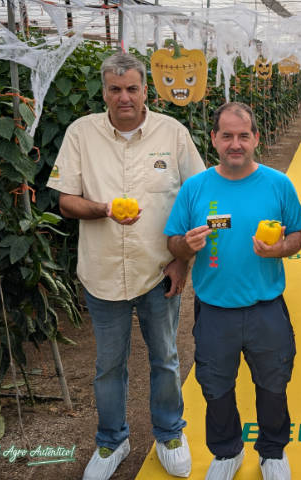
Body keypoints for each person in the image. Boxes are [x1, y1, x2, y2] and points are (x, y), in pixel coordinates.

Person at [46, 52, 205, 480]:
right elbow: (65, 201)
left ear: (145, 90)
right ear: (104, 92)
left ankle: (170, 432)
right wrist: (103, 209)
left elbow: (195, 200)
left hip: (158, 272)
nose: (124, 98)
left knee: (167, 358)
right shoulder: (82, 134)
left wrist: (182, 261)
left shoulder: (172, 133)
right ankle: (112, 439)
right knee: (108, 365)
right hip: (101, 273)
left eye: (132, 88)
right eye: (115, 90)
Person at [164, 101, 301, 480]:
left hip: (266, 306)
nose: (235, 143)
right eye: (226, 135)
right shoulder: (196, 188)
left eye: (243, 135)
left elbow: (297, 234)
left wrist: (280, 249)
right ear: (214, 139)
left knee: (274, 381)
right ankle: (227, 451)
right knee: (215, 384)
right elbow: (173, 241)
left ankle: (272, 451)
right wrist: (185, 246)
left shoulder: (278, 184)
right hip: (215, 310)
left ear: (256, 138)